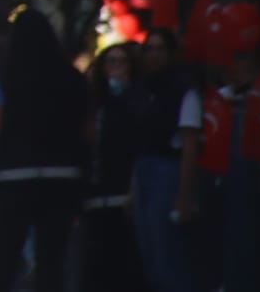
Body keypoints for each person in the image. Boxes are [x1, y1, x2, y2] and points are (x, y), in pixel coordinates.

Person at [0, 7, 87, 292]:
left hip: (13, 176)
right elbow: (87, 129)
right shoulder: (72, 78)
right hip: (62, 177)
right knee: (52, 260)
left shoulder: (3, 78)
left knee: (4, 258)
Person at [128, 27, 200, 292]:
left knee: (168, 252)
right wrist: (132, 189)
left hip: (169, 170)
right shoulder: (141, 90)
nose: (154, 55)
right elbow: (138, 143)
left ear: (171, 54)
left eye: (160, 49)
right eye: (150, 48)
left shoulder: (184, 90)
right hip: (144, 170)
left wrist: (184, 195)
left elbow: (189, 144)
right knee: (149, 253)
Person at [81, 43, 147, 292]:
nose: (115, 68)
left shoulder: (138, 102)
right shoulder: (96, 105)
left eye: (120, 62)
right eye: (110, 62)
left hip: (125, 194)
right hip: (97, 195)